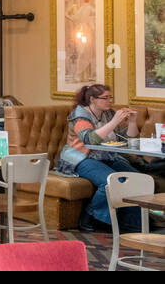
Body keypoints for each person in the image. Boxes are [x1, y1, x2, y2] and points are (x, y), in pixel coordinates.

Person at [60, 83, 141, 232]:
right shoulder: (79, 116)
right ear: (93, 99)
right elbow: (89, 140)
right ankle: (90, 217)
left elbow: (128, 139)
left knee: (136, 179)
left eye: (111, 97)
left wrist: (132, 121)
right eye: (105, 98)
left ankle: (131, 223)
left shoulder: (108, 113)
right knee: (110, 181)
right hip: (81, 158)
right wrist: (115, 121)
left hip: (107, 156)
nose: (110, 101)